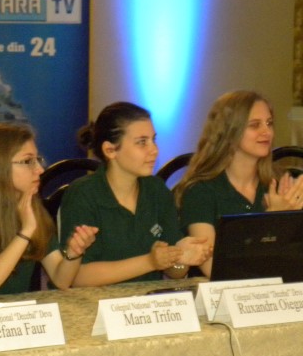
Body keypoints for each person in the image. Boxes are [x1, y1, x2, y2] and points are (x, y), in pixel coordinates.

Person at [59, 102, 212, 286]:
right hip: (97, 301)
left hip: (149, 299)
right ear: (110, 150)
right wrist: (150, 262)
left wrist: (180, 258)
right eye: (142, 142)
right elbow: (77, 278)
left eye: (153, 140)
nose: (154, 150)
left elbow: (175, 273)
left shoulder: (156, 190)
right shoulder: (83, 194)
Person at [0, 123, 98, 299]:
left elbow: (60, 280)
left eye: (37, 160)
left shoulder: (31, 209)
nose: (39, 169)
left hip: (16, 313)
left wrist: (74, 253)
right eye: (27, 161)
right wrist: (25, 232)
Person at [175, 91, 303, 277]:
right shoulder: (201, 191)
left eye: (269, 123)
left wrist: (293, 222)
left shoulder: (277, 185)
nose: (267, 132)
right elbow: (215, 269)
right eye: (255, 125)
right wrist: (272, 220)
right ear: (230, 132)